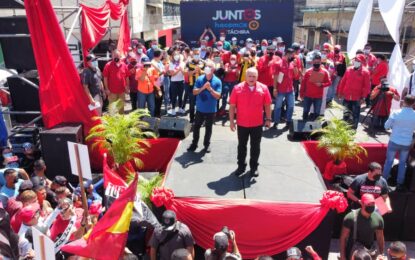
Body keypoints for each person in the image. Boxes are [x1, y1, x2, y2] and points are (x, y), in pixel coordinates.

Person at [229, 68, 272, 177]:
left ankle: (254, 167)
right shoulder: (237, 88)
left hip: (257, 124)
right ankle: (241, 166)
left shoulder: (264, 88)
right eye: (250, 76)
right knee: (241, 146)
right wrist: (231, 121)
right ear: (245, 76)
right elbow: (232, 106)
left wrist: (268, 119)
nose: (252, 78)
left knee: (255, 146)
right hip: (242, 123)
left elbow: (267, 105)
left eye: (254, 76)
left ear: (257, 77)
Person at [187, 61, 221, 153]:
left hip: (210, 110)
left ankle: (207, 144)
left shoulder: (217, 81)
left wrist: (210, 89)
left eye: (209, 67)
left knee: (208, 128)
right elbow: (194, 92)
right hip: (200, 109)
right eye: (206, 66)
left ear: (213, 69)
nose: (207, 68)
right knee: (196, 127)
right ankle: (194, 144)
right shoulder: (200, 79)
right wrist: (203, 88)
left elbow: (218, 96)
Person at [383, 95, 415, 191]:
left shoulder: (396, 113)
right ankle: (400, 183)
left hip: (394, 141)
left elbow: (386, 126)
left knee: (389, 162)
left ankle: (383, 181)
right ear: (413, 103)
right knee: (402, 164)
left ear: (403, 101)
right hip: (406, 143)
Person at [339, 194, 385, 260]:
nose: (371, 206)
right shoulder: (350, 217)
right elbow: (343, 238)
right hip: (353, 252)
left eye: (373, 204)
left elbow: (380, 237)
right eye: (368, 204)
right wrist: (342, 256)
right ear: (362, 203)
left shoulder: (378, 218)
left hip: (369, 252)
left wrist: (381, 253)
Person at [337, 54, 371, 129]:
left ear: (361, 62)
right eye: (355, 60)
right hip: (346, 96)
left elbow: (367, 87)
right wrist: (340, 92)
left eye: (358, 61)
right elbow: (343, 81)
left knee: (355, 115)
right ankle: (344, 129)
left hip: (357, 98)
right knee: (346, 113)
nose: (356, 62)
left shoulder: (365, 72)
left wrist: (364, 97)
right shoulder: (349, 69)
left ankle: (353, 129)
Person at [300, 54, 331, 121]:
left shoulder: (325, 72)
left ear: (320, 62)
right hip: (308, 95)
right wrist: (301, 94)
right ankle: (303, 127)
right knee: (305, 111)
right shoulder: (308, 71)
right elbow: (303, 83)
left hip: (318, 96)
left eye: (318, 62)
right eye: (315, 62)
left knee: (317, 113)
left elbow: (329, 82)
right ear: (313, 62)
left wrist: (322, 84)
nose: (316, 63)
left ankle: (315, 129)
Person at [273, 48, 296, 128]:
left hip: (290, 88)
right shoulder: (278, 63)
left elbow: (296, 75)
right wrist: (275, 88)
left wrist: (295, 65)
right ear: (287, 54)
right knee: (278, 106)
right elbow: (276, 77)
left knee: (291, 105)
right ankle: (276, 122)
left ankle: (288, 121)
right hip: (280, 89)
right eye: (292, 55)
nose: (293, 56)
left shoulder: (292, 63)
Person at [185, 49, 206, 123]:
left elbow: (206, 73)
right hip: (192, 86)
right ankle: (191, 119)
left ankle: (201, 119)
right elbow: (187, 73)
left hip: (201, 86)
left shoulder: (203, 62)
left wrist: (200, 71)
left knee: (201, 103)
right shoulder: (188, 63)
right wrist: (194, 71)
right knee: (192, 104)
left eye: (198, 54)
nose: (196, 55)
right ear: (192, 55)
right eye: (195, 54)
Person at [168, 50, 186, 116]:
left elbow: (184, 73)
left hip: (181, 81)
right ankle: (173, 109)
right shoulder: (171, 63)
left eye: (177, 55)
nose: (176, 56)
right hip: (174, 82)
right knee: (174, 96)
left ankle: (180, 108)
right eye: (175, 55)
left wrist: (182, 70)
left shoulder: (183, 63)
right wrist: (179, 70)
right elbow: (172, 74)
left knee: (181, 96)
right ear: (172, 56)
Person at [151, 49, 166, 117]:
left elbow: (162, 70)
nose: (162, 55)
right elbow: (153, 75)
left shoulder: (159, 61)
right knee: (156, 100)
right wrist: (161, 73)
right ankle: (155, 115)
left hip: (161, 84)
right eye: (161, 54)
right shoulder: (152, 63)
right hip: (155, 85)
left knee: (160, 100)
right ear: (159, 55)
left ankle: (158, 113)